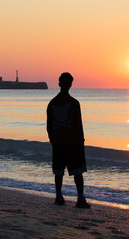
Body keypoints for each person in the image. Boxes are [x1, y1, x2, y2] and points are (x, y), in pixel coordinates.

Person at [47, 72, 90, 208]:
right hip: (73, 143)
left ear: (59, 84)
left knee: (59, 171)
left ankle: (59, 196)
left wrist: (52, 140)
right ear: (70, 84)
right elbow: (78, 124)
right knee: (78, 172)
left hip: (58, 142)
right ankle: (80, 199)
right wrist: (81, 141)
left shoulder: (52, 103)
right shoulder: (74, 103)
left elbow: (49, 126)